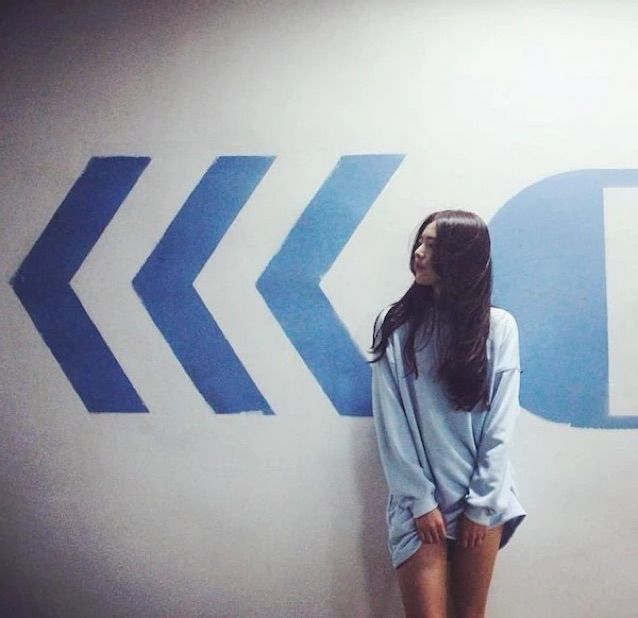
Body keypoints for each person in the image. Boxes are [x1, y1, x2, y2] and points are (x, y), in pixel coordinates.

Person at [369, 210, 526, 618]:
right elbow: (391, 423)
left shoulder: (499, 327)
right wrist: (420, 501)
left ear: (461, 257)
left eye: (433, 245)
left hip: (481, 500)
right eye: (420, 242)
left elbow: (501, 425)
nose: (419, 253)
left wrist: (481, 505)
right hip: (418, 504)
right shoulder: (395, 324)